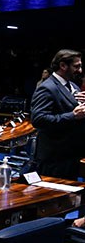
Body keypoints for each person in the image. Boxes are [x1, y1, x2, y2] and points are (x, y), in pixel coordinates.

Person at [30, 49, 85, 179]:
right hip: (54, 159)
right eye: (76, 66)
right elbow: (38, 119)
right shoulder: (47, 87)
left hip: (70, 155)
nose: (80, 70)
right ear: (63, 65)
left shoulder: (72, 86)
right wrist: (72, 115)